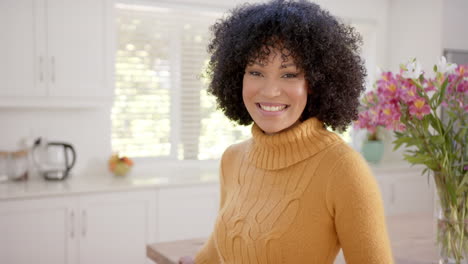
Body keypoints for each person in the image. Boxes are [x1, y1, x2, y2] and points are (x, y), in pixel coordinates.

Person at [180, 0, 393, 263]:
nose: (270, 91)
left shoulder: (343, 169)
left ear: (315, 82)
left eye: (289, 74)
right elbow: (224, 239)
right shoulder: (232, 159)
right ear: (237, 77)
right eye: (256, 71)